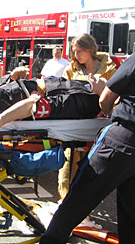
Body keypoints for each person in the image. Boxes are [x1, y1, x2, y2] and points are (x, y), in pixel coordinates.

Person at [40, 53, 135, 244]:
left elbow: (106, 97)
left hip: (123, 139)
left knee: (76, 202)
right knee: (131, 211)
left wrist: (107, 111)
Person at [58, 33, 116, 200]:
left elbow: (117, 95)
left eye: (80, 51)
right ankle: (65, 200)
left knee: (92, 165)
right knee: (68, 162)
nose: (76, 56)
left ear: (90, 49)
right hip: (75, 121)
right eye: (74, 51)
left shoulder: (110, 70)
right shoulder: (70, 69)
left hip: (100, 123)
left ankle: (83, 203)